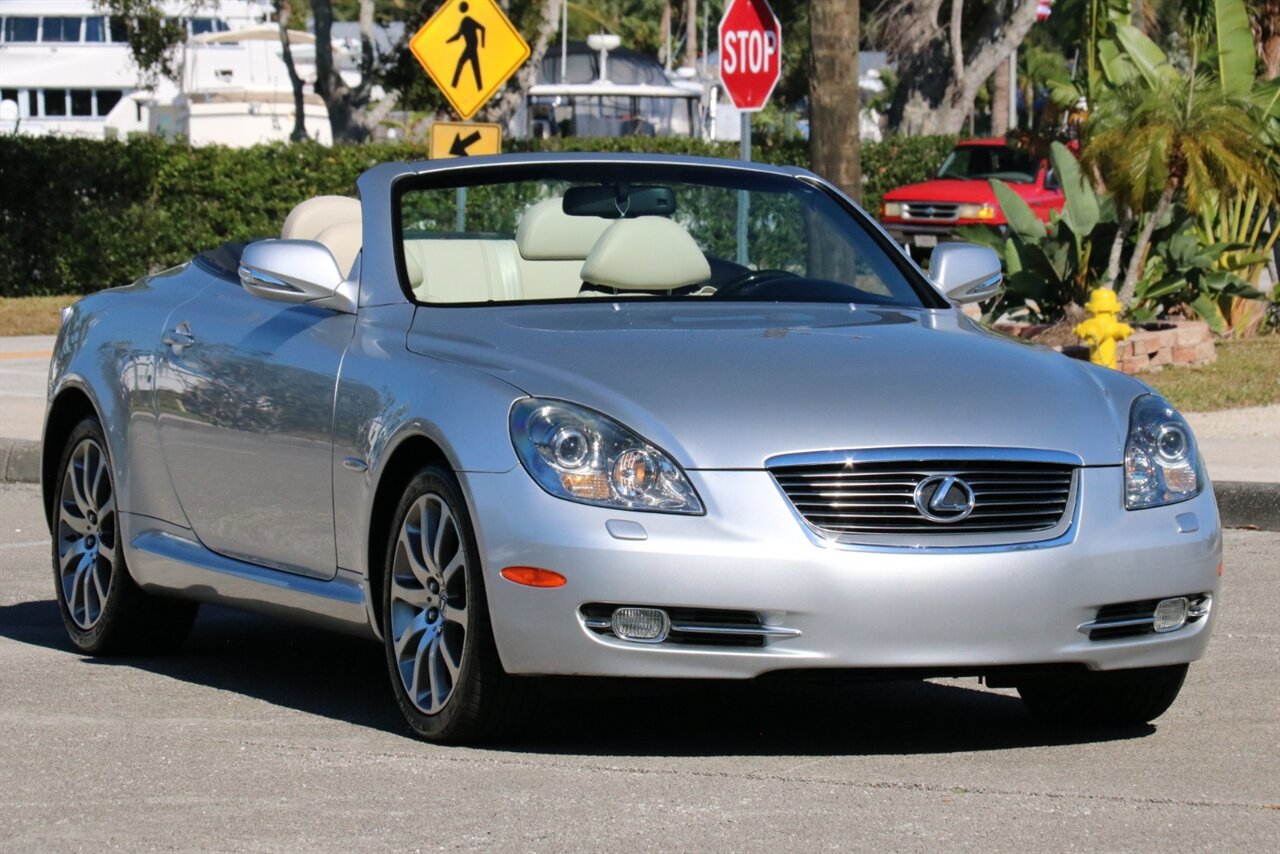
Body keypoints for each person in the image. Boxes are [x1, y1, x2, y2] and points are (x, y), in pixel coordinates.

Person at [448, 2, 486, 91]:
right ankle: (479, 88)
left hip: (471, 47)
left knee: (462, 63)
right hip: (470, 47)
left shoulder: (468, 20)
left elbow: (483, 28)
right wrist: (447, 41)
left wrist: (483, 43)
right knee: (475, 67)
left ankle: (454, 85)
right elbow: (457, 36)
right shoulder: (464, 22)